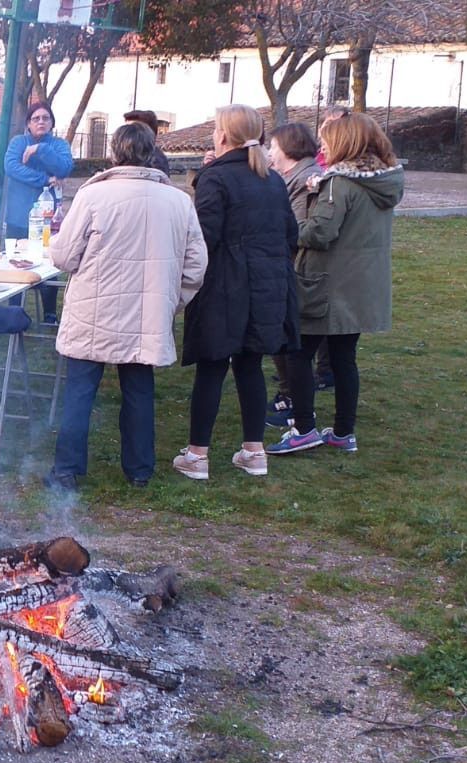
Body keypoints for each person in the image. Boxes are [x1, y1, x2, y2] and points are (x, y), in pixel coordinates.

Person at [45, 123, 208, 491]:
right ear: (151, 152)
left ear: (114, 153)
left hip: (93, 309)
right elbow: (196, 266)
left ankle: (67, 469)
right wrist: (169, 303)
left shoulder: (93, 196)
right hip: (144, 312)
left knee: (80, 392)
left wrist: (167, 302)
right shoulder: (179, 201)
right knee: (138, 389)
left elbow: (64, 255)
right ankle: (139, 470)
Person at [174, 104, 300, 481]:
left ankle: (197, 456)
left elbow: (204, 237)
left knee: (212, 368)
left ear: (223, 135)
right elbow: (290, 234)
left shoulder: (217, 177)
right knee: (250, 366)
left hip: (225, 287)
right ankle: (254, 451)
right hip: (268, 286)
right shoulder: (273, 179)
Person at [268, 112, 403, 456]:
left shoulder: (339, 184)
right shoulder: (382, 184)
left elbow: (320, 233)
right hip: (362, 285)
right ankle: (343, 431)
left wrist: (284, 226)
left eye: (327, 138)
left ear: (345, 141)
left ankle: (304, 428)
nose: (322, 145)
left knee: (298, 353)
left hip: (327, 285)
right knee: (344, 358)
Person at [263, 121, 326, 421]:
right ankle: (289, 393)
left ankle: (291, 399)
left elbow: (298, 229)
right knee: (281, 336)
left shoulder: (307, 179)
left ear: (288, 148)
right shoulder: (292, 177)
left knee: (288, 338)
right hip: (286, 267)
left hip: (296, 270)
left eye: (273, 147)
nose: (269, 152)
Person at [3, 102, 74, 321]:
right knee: (15, 263)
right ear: (28, 123)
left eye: (45, 118)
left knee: (48, 263)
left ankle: (50, 313)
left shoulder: (59, 145)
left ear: (52, 123)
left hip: (47, 219)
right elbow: (12, 167)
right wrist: (44, 179)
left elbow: (64, 168)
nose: (41, 122)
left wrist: (40, 150)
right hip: (18, 215)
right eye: (36, 118)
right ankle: (14, 310)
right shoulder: (17, 142)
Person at [123, 109, 171, 174]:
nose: (126, 132)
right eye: (126, 128)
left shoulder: (155, 160)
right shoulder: (126, 154)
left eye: (133, 129)